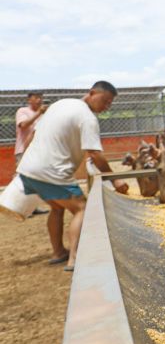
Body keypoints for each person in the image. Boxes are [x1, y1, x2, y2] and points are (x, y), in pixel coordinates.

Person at [16, 81, 129, 271]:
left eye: (110, 103)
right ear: (92, 93)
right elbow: (94, 153)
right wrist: (115, 178)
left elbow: (32, 135)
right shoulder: (87, 118)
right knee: (82, 208)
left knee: (57, 208)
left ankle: (58, 252)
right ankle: (75, 258)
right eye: (105, 100)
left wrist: (22, 164)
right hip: (51, 171)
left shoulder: (60, 105)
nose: (107, 106)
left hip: (30, 169)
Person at [15, 92, 47, 166]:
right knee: (22, 173)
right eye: (36, 98)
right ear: (29, 100)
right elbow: (23, 125)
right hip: (23, 150)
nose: (39, 100)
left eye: (40, 98)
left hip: (40, 150)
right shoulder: (22, 111)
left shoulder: (45, 114)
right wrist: (39, 112)